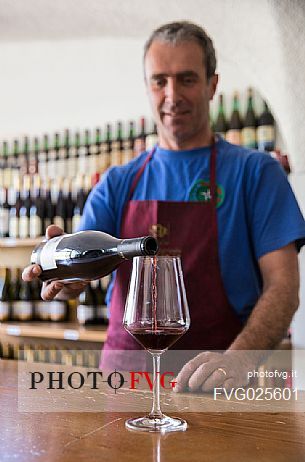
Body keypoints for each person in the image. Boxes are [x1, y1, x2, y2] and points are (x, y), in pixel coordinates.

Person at [23, 21, 305, 392]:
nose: (172, 95)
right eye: (160, 81)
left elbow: (284, 287)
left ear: (212, 85)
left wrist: (238, 361)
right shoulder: (117, 182)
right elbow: (84, 266)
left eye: (187, 79)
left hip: (217, 380)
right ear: (148, 88)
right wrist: (68, 278)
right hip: (124, 383)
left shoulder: (256, 173)